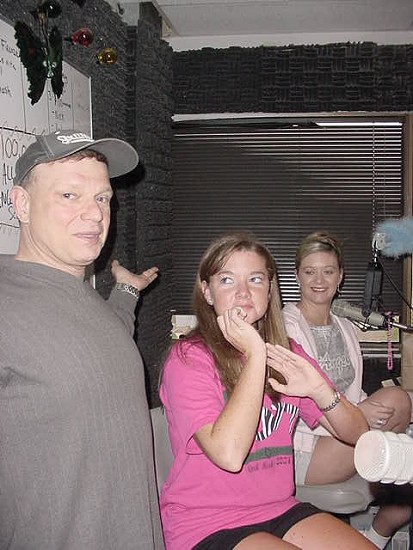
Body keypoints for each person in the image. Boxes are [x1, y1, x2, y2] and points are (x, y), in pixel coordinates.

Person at [159, 231, 375, 549]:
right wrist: (255, 354)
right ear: (207, 292)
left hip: (279, 508)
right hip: (206, 521)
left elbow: (358, 433)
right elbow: (229, 455)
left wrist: (319, 389)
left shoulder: (288, 352)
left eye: (256, 279)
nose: (243, 292)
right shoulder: (189, 359)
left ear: (270, 289)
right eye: (227, 280)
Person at [0, 129, 164, 549]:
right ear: (22, 203)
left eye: (102, 198)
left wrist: (126, 292)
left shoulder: (87, 300)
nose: (94, 214)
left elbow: (103, 342)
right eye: (69, 195)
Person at [283, 230, 412, 549]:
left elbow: (353, 394)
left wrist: (363, 410)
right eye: (310, 271)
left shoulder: (343, 326)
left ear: (340, 276)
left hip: (347, 431)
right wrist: (356, 414)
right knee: (403, 450)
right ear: (297, 276)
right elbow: (295, 406)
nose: (319, 280)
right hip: (307, 447)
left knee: (399, 400)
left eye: (328, 271)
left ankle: (376, 535)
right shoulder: (286, 327)